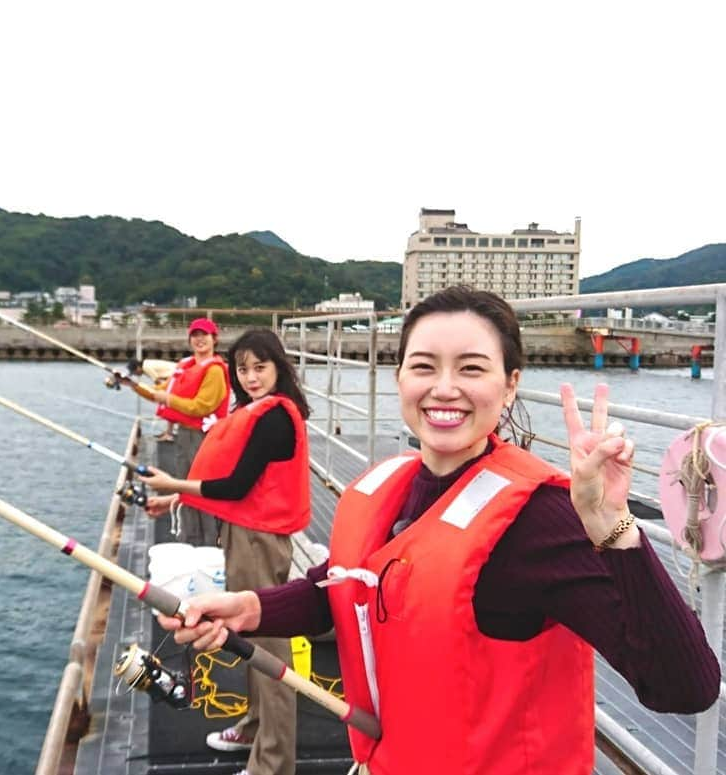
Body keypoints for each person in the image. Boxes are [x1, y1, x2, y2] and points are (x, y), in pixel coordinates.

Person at [158, 286, 720, 775]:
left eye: (472, 368)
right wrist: (250, 608)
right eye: (424, 366)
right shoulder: (391, 483)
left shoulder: (539, 519)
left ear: (510, 385)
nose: (444, 388)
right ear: (399, 376)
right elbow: (344, 586)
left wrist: (612, 527)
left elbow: (683, 685)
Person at [141, 328, 311, 775]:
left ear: (279, 367)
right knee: (250, 639)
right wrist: (176, 499)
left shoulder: (275, 418)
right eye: (243, 369)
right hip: (244, 532)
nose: (252, 377)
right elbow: (235, 484)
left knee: (269, 650)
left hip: (259, 540)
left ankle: (273, 765)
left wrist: (173, 484)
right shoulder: (255, 410)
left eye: (261, 367)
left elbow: (235, 485)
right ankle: (256, 727)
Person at [126, 317, 231, 545]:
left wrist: (169, 400)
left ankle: (211, 543)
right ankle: (191, 539)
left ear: (215, 339)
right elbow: (159, 391)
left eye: (204, 334)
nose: (199, 339)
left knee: (202, 488)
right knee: (185, 487)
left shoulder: (213, 370)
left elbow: (203, 406)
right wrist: (133, 385)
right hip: (185, 436)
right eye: (195, 335)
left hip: (204, 437)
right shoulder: (186, 366)